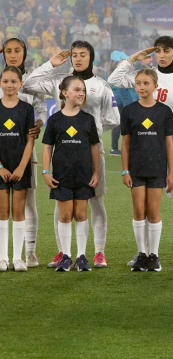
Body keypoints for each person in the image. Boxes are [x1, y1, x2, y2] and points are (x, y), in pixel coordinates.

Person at [109, 36, 173, 268]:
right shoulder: (146, 74)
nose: (162, 55)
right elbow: (114, 79)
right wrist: (133, 58)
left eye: (166, 51)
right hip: (145, 146)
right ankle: (143, 252)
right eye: (158, 51)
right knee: (142, 205)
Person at [24, 41, 119, 269]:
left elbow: (113, 118)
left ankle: (98, 252)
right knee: (62, 200)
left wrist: (91, 134)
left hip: (92, 152)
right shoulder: (60, 81)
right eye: (74, 55)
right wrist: (51, 64)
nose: (77, 58)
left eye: (82, 55)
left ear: (91, 58)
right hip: (63, 153)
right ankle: (63, 252)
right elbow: (28, 85)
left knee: (95, 200)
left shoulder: (101, 85)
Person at [41, 76, 101, 272]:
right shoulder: (55, 120)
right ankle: (66, 256)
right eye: (76, 89)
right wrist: (45, 172)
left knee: (81, 214)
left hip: (83, 176)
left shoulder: (88, 120)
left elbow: (94, 147)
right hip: (62, 177)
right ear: (65, 93)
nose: (81, 93)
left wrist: (96, 172)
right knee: (65, 216)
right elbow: (47, 147)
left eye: (83, 90)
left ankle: (81, 256)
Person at [120, 69, 173, 272]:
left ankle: (155, 256)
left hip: (157, 169)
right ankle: (142, 254)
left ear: (155, 86)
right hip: (136, 169)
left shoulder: (164, 111)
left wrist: (171, 172)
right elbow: (125, 144)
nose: (141, 87)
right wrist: (125, 171)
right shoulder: (129, 111)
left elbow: (169, 144)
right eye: (138, 83)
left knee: (153, 211)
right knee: (138, 211)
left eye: (146, 83)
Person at [1, 38, 46, 268]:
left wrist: (38, 123)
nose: (12, 54)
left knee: (28, 203)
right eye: (8, 51)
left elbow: (41, 111)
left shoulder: (33, 82)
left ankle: (29, 251)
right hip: (2, 155)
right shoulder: (2, 80)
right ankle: (3, 255)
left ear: (24, 53)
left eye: (17, 50)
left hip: (25, 152)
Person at [0, 66, 36, 272]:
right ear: (0, 83)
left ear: (20, 84)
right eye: (6, 81)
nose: (10, 85)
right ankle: (3, 257)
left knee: (18, 211)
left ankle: (18, 257)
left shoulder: (26, 109)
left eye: (14, 81)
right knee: (3, 212)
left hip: (21, 167)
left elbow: (30, 140)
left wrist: (22, 167)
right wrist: (0, 167)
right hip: (1, 169)